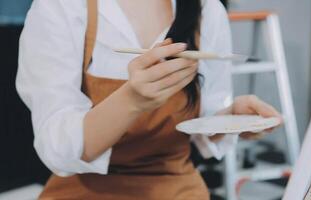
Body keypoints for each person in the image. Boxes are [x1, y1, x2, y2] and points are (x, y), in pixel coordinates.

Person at [16, 0, 282, 199]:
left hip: (175, 186)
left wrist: (232, 117)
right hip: (83, 187)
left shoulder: (206, 10)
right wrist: (132, 99)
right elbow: (58, 147)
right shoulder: (62, 7)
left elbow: (203, 127)